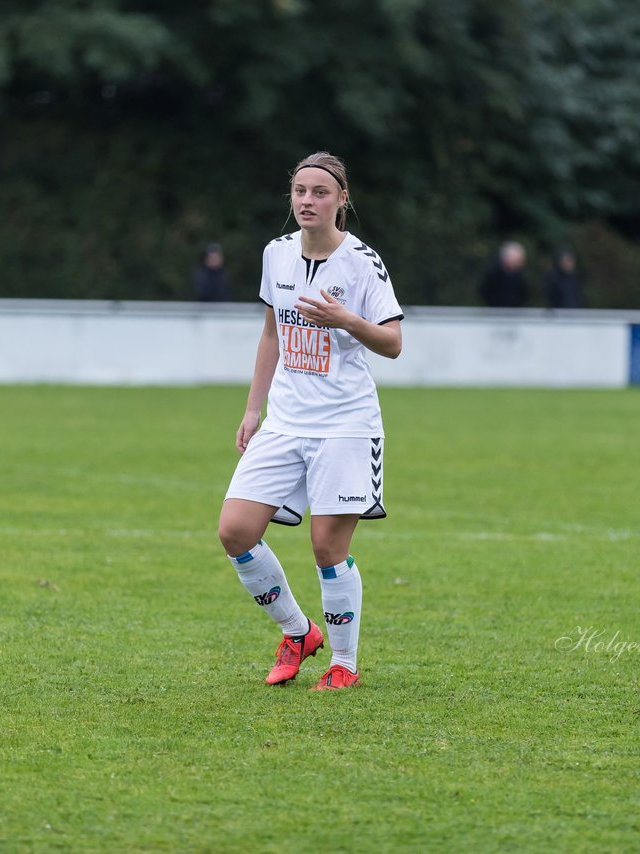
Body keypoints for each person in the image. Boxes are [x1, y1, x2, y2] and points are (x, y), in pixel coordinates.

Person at [217, 151, 404, 692]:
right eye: (300, 191)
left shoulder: (363, 263)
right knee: (235, 530)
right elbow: (272, 333)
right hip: (284, 422)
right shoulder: (275, 254)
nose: (307, 201)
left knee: (327, 547)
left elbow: (393, 343)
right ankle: (298, 633)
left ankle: (343, 662)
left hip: (345, 424)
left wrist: (347, 319)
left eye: (320, 192)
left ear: (342, 199)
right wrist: (254, 409)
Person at [479, 240, 529, 307]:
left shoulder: (520, 277)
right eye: (515, 261)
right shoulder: (493, 274)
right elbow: (484, 291)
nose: (517, 264)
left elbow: (524, 295)